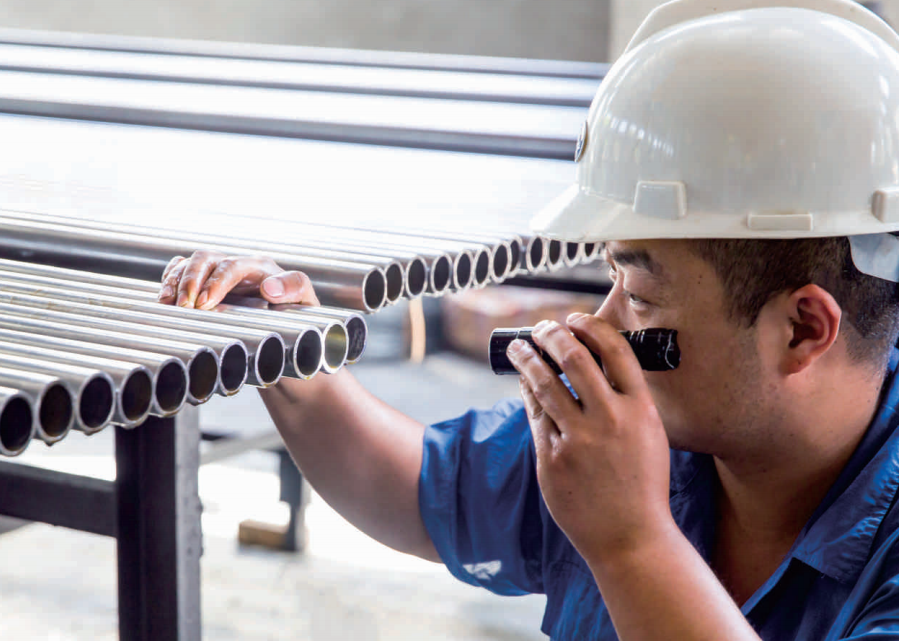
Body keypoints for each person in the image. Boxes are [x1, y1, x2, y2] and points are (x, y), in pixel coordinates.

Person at [156, 1, 899, 638]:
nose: (602, 326)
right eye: (611, 279)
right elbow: (416, 491)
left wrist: (630, 542)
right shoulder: (665, 448)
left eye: (639, 296)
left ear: (802, 329)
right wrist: (298, 363)